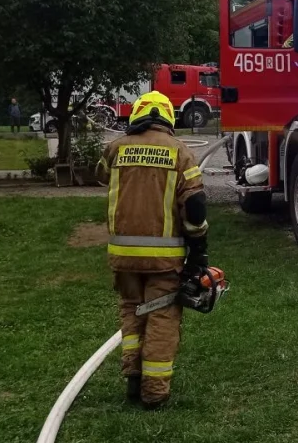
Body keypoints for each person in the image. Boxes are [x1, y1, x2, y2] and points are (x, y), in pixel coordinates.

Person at [96, 91, 208, 408]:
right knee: (161, 319)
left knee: (132, 311)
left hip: (123, 257)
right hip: (164, 259)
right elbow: (196, 206)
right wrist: (198, 245)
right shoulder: (180, 152)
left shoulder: (116, 148)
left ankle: (133, 378)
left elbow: (99, 175)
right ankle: (154, 393)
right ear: (169, 118)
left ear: (136, 116)